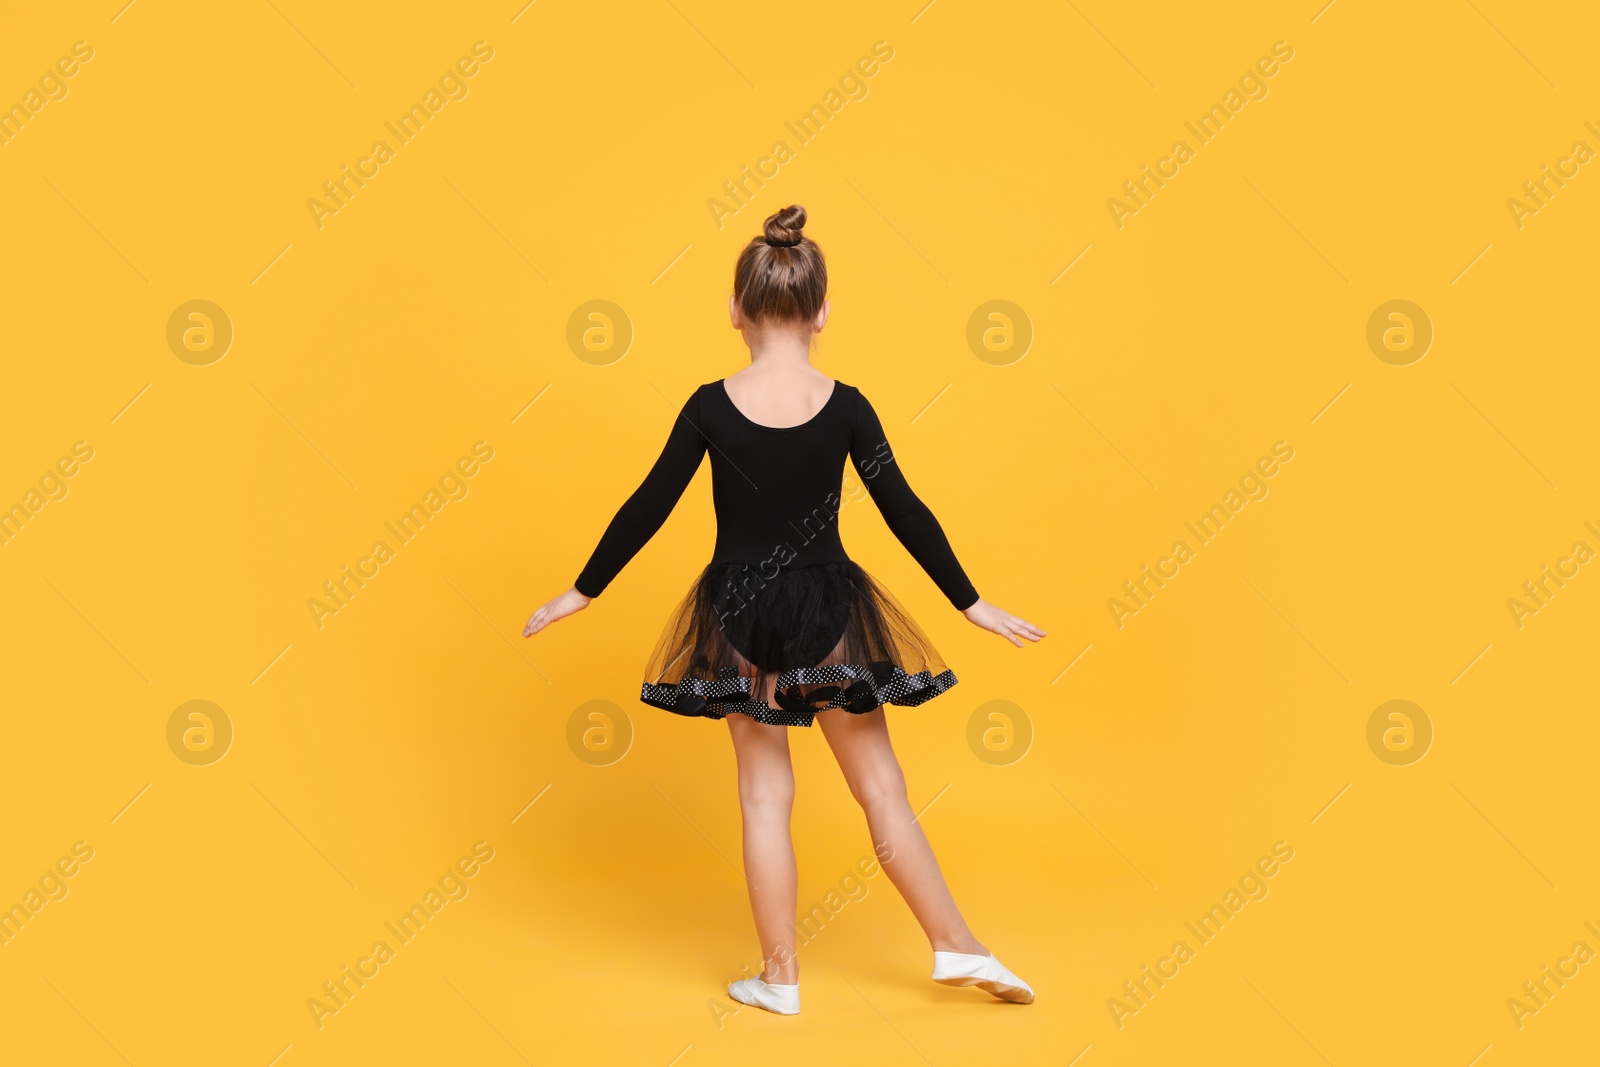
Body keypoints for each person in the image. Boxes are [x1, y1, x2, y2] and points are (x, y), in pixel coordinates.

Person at [524, 204, 1044, 1015]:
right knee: (882, 789)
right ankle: (957, 946)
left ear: (734, 310)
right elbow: (904, 506)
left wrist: (581, 590)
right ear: (824, 311)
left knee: (766, 795)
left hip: (737, 608)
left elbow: (648, 503)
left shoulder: (707, 404)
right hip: (827, 603)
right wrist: (971, 602)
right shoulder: (846, 405)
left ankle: (780, 978)